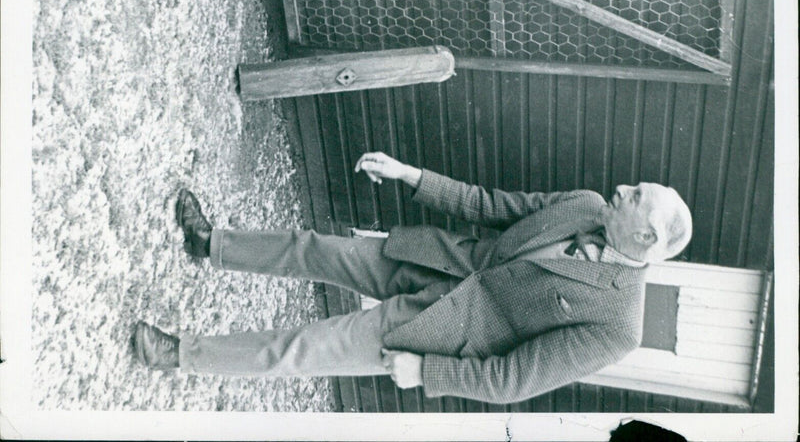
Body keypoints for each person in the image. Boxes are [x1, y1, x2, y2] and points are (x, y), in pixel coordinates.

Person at [134, 152, 692, 404]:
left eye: (636, 198)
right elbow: (487, 204)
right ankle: (211, 244)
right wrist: (412, 176)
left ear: (645, 239)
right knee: (315, 249)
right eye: (634, 187)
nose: (623, 190)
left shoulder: (619, 325)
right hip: (435, 259)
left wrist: (428, 372)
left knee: (303, 348)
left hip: (438, 332)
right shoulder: (586, 204)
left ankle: (177, 354)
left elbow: (514, 380)